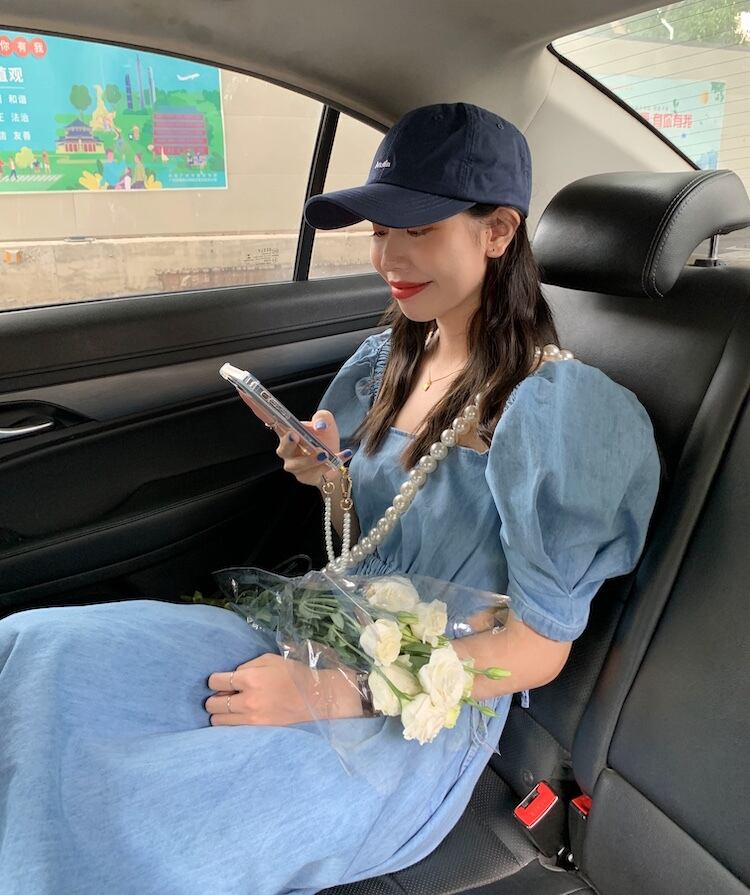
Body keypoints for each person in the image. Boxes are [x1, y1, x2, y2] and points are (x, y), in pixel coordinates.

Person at [0, 103, 661, 894]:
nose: (388, 256)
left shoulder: (560, 411)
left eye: (419, 229)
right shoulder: (390, 356)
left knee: (134, 820)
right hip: (315, 625)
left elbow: (535, 650)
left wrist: (335, 689)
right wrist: (331, 479)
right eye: (379, 230)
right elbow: (376, 535)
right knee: (39, 653)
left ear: (497, 231)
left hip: (416, 710)